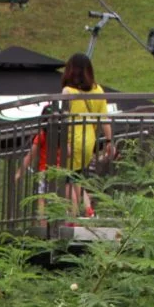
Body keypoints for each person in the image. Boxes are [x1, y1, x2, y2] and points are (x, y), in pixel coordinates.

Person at [60, 52, 113, 216]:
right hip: (89, 141)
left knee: (68, 181)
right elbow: (104, 119)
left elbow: (64, 119)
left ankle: (74, 218)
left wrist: (65, 143)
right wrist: (110, 141)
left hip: (72, 140)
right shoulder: (98, 90)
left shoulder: (67, 91)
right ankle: (89, 212)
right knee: (77, 179)